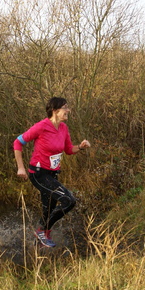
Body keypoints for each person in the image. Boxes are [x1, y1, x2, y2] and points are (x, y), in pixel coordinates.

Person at [13, 97, 91, 248]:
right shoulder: (41, 126)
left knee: (48, 209)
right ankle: (41, 231)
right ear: (55, 111)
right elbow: (18, 142)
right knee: (69, 201)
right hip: (38, 173)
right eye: (65, 107)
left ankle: (38, 247)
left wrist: (80, 147)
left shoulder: (63, 128)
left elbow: (68, 150)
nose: (68, 110)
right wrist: (20, 167)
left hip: (52, 174)